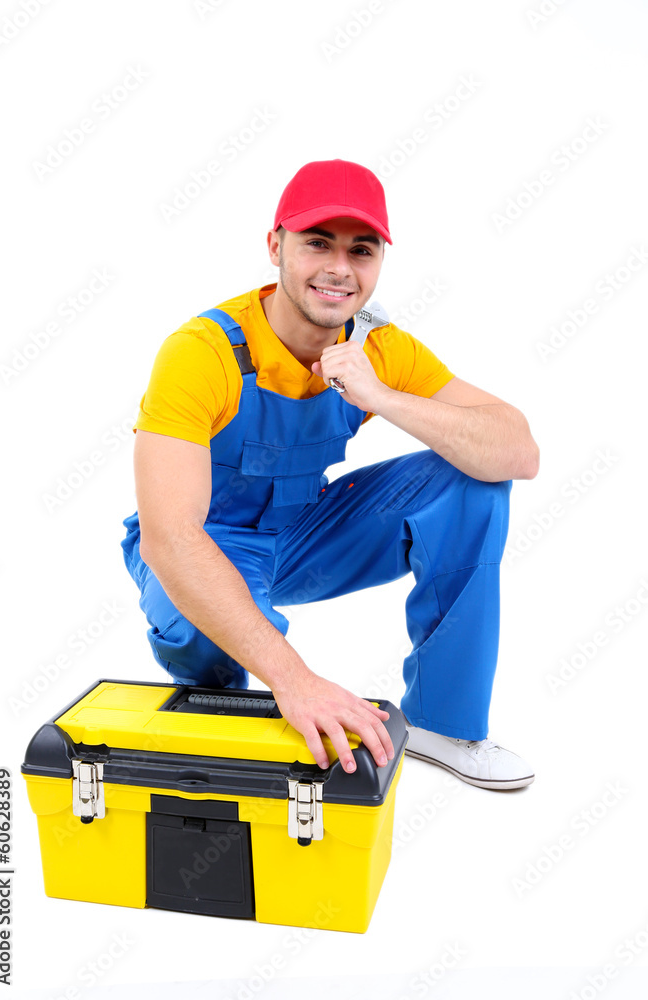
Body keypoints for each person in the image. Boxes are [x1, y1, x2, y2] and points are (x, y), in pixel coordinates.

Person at [121, 158, 540, 791]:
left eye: (361, 250)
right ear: (276, 246)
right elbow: (169, 537)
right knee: (207, 638)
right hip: (206, 542)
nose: (340, 267)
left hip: (309, 532)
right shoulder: (201, 354)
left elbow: (519, 451)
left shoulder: (379, 348)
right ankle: (225, 711)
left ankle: (443, 724)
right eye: (318, 243)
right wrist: (297, 681)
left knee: (472, 483)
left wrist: (385, 398)